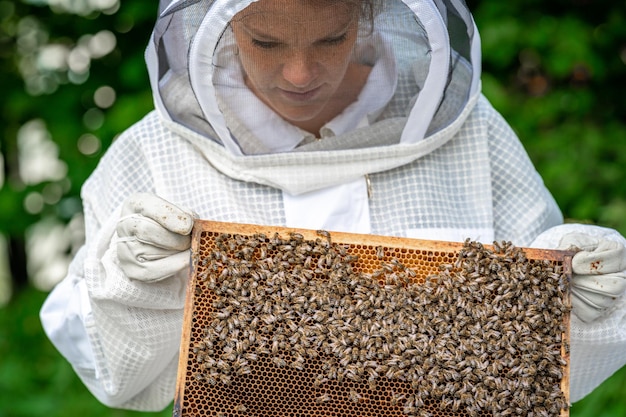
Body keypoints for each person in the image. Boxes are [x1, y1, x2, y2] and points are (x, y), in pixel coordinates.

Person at [40, 0, 626, 412]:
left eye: (330, 38)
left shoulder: (470, 135)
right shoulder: (153, 153)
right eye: (265, 42)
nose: (300, 74)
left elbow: (545, 369)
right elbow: (112, 372)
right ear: (219, 28)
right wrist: (134, 286)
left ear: (371, 16)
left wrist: (583, 299)